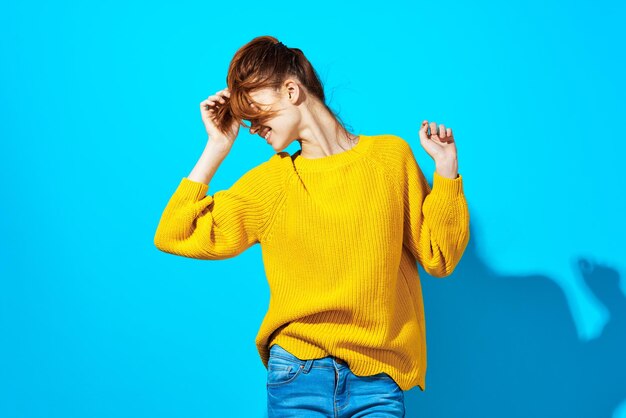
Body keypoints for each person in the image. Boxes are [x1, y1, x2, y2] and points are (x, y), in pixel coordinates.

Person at [154, 35, 470, 417]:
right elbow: (175, 232)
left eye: (258, 113)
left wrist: (446, 172)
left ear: (291, 91)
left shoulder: (389, 161)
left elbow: (440, 256)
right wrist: (216, 146)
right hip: (298, 374)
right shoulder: (272, 183)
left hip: (377, 380)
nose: (252, 127)